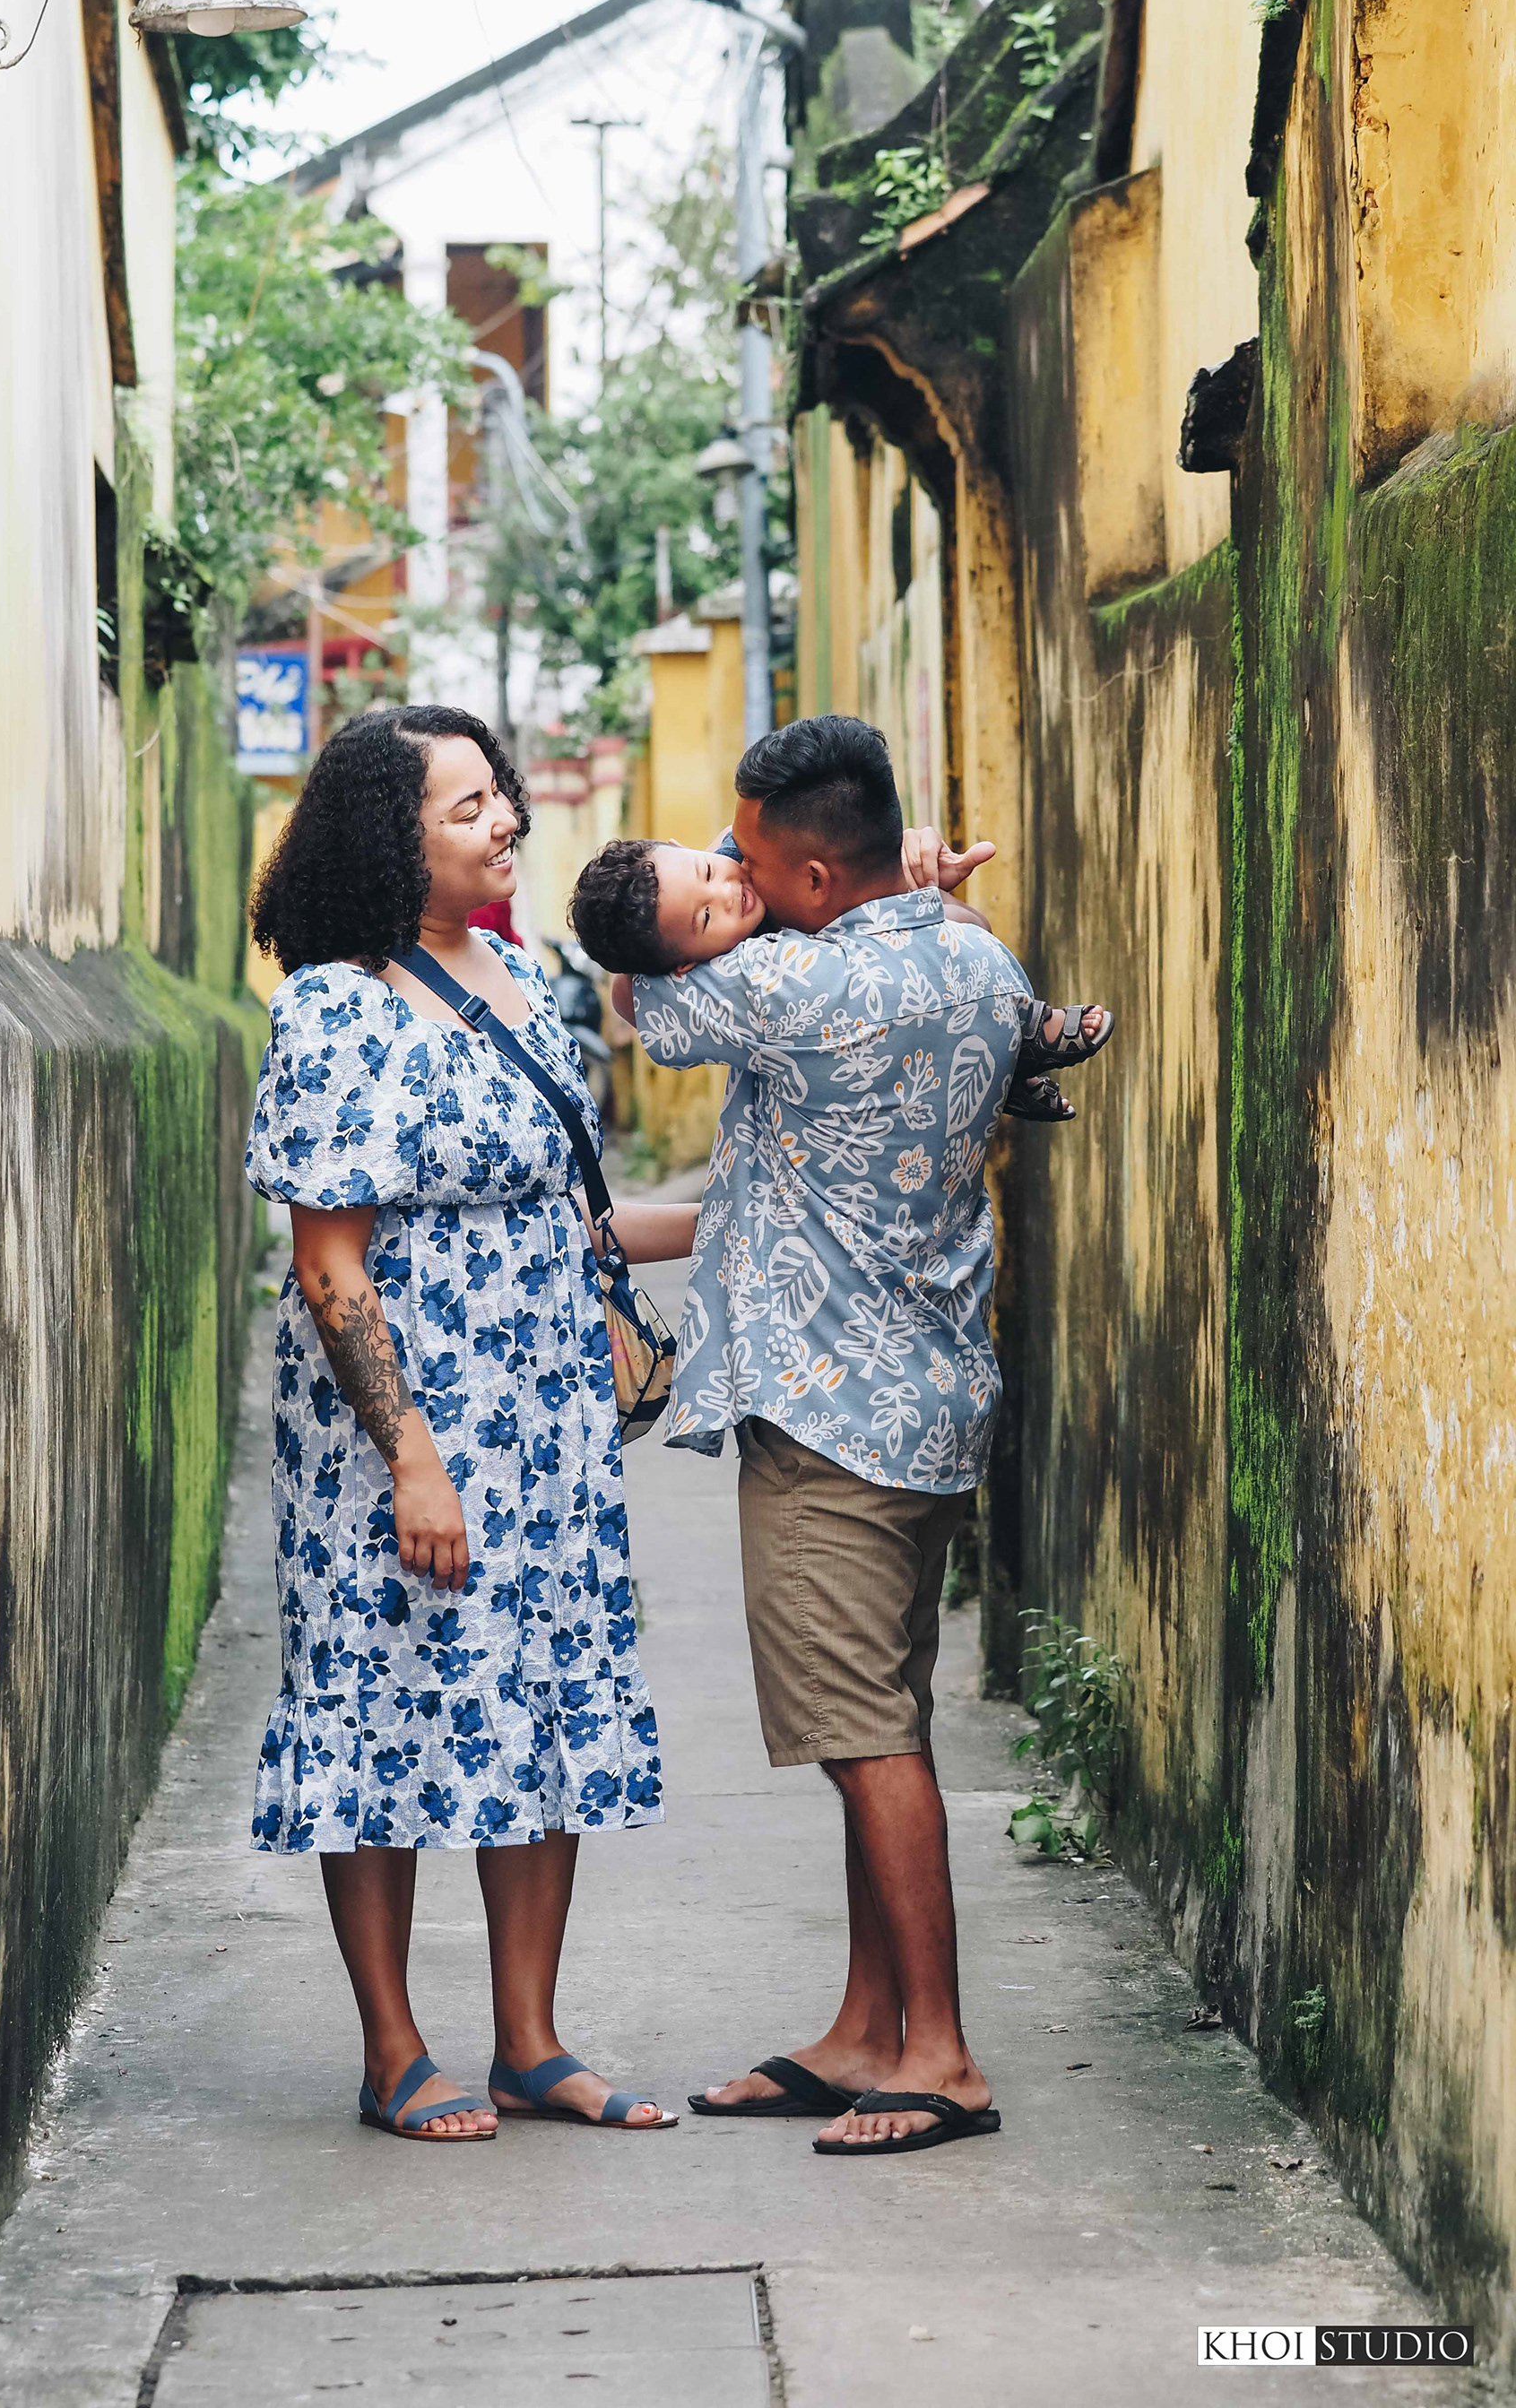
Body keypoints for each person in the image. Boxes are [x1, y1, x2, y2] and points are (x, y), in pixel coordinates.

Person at [611, 715, 1079, 2156]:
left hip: (829, 1420)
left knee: (866, 1738)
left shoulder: (790, 988)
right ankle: (868, 2029)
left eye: (741, 862)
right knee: (885, 1719)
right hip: (931, 1400)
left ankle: (938, 2056)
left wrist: (673, 921)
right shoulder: (975, 953)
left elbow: (642, 1000)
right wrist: (923, 879)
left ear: (815, 873)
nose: (729, 882)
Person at [244, 706, 698, 2142]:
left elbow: (575, 1219)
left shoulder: (513, 974)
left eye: (499, 794)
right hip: (401, 1439)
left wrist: (740, 1215)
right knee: (375, 1708)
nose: (503, 820)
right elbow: (331, 1262)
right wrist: (414, 1461)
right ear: (394, 840)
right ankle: (393, 2051)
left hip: (547, 1422)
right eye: (465, 809)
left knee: (541, 1701)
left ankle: (531, 2043)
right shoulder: (334, 1006)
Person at [569, 830, 1112, 1117]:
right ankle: (1013, 1050)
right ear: (683, 962)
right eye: (706, 916)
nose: (727, 893)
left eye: (708, 871)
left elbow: (970, 931)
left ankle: (1012, 1046)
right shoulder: (721, 981)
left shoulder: (756, 854)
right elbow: (626, 992)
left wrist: (907, 881)